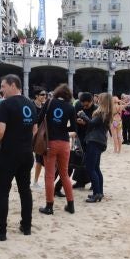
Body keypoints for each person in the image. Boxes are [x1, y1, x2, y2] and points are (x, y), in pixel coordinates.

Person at [0, 74, 38, 241]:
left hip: (8, 154)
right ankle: (26, 226)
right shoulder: (30, 104)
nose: (1, 90)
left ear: (12, 85)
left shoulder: (6, 104)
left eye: (3, 86)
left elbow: (0, 130)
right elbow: (34, 130)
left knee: (2, 192)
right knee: (25, 190)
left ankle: (0, 230)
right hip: (26, 153)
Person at [38, 83, 76, 215]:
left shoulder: (49, 102)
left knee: (49, 175)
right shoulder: (70, 107)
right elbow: (74, 128)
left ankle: (49, 206)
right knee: (64, 174)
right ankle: (70, 205)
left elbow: (38, 120)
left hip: (50, 142)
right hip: (65, 143)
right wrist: (62, 128)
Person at [83, 93, 112, 203]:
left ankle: (96, 193)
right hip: (100, 141)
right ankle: (99, 192)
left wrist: (82, 115)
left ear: (103, 101)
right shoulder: (106, 113)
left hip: (94, 141)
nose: (97, 99)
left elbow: (91, 123)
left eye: (99, 98)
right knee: (96, 168)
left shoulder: (102, 113)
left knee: (91, 168)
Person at [72, 92, 96, 189]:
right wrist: (76, 121)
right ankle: (80, 182)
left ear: (92, 102)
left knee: (91, 161)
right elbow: (72, 117)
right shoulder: (78, 105)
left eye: (87, 105)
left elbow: (94, 124)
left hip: (91, 137)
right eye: (83, 105)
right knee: (79, 159)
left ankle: (94, 182)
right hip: (80, 135)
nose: (85, 107)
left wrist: (85, 122)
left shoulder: (96, 109)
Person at [32, 88, 47, 186]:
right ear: (36, 96)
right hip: (33, 135)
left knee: (40, 158)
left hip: (42, 135)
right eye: (42, 94)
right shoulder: (31, 105)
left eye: (45, 94)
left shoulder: (44, 106)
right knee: (38, 159)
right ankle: (35, 181)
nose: (44, 96)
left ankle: (36, 181)